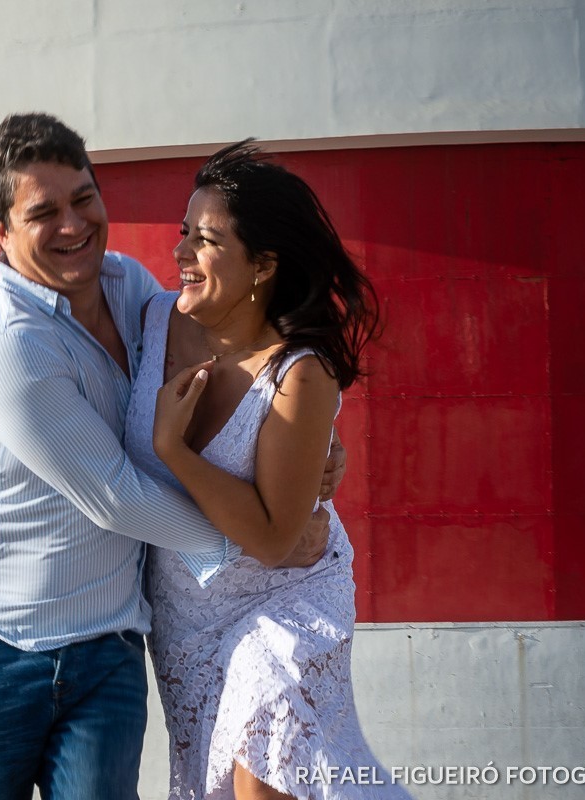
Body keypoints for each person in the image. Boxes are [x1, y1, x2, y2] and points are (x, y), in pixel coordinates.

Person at [0, 114, 343, 800]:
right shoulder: (9, 349)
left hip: (107, 644)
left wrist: (308, 428)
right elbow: (114, 495)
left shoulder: (128, 287)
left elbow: (222, 341)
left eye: (83, 198)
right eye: (42, 212)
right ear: (0, 229)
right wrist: (259, 543)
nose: (72, 225)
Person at [125, 141, 409, 799]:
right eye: (182, 236)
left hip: (283, 599)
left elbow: (278, 539)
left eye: (206, 241)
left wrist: (176, 452)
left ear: (262, 265)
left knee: (263, 781)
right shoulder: (149, 319)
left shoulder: (298, 375)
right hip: (186, 616)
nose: (181, 256)